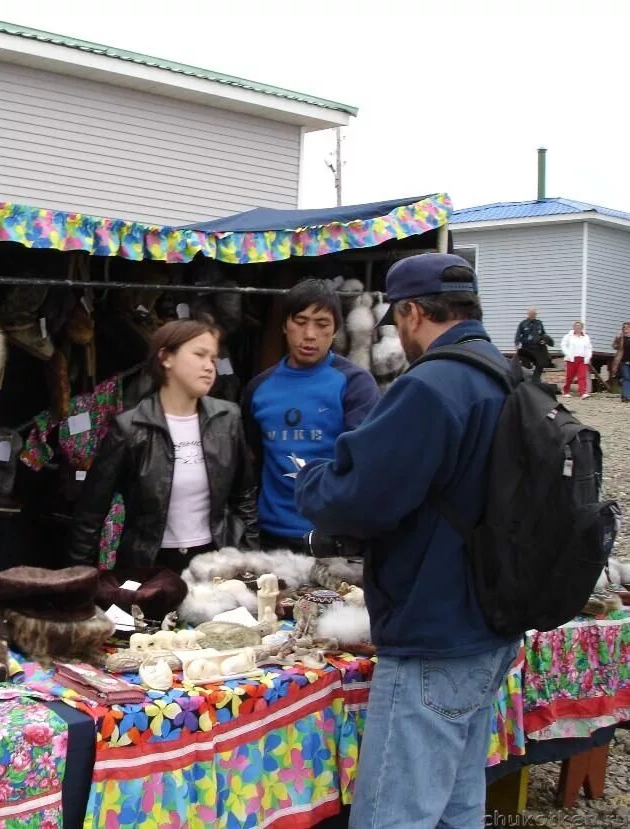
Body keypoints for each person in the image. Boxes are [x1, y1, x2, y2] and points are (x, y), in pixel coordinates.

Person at [294, 253, 520, 829]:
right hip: (490, 622)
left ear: (413, 312)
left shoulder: (433, 384)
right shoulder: (505, 373)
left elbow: (361, 495)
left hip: (434, 631)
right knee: (455, 799)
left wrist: (312, 479)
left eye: (397, 321)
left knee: (394, 814)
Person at [67, 319, 259, 573]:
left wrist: (249, 560)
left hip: (216, 563)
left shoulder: (227, 418)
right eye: (199, 355)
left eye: (213, 358)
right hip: (149, 565)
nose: (209, 366)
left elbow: (244, 497)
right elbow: (90, 514)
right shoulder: (130, 426)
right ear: (166, 358)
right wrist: (79, 581)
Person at [242, 279, 379, 551]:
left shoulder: (356, 384)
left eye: (322, 324)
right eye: (300, 321)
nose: (309, 334)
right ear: (284, 325)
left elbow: (364, 466)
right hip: (271, 538)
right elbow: (252, 462)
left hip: (334, 539)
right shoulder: (259, 388)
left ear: (335, 329)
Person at [513, 307, 553, 381]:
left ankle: (536, 380)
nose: (533, 315)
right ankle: (527, 380)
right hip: (527, 347)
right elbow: (518, 335)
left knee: (540, 364)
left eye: (534, 314)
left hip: (538, 347)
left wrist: (544, 340)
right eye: (531, 313)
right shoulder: (523, 323)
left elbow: (543, 333)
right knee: (526, 366)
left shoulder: (539, 323)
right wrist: (516, 344)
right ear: (528, 314)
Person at [560, 321, 593, 398]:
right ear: (573, 327)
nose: (578, 328)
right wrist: (567, 353)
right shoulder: (568, 336)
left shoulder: (586, 337)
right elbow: (563, 345)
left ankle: (583, 392)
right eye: (576, 326)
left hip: (582, 359)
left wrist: (588, 356)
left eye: (579, 326)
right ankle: (566, 391)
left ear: (582, 328)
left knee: (582, 376)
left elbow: (589, 347)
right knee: (569, 376)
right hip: (572, 359)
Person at [612, 321, 630, 403]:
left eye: (627, 327)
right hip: (623, 362)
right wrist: (617, 339)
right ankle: (626, 396)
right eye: (624, 327)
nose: (626, 329)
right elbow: (614, 347)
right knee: (626, 378)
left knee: (626, 379)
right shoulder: (621, 338)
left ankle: (624, 396)